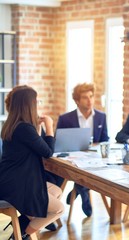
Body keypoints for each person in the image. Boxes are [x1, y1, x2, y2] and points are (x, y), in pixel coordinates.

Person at [0, 86, 64, 239]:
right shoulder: (24, 129)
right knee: (59, 209)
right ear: (28, 105)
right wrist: (49, 126)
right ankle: (21, 235)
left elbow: (36, 147)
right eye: (37, 102)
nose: (38, 105)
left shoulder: (13, 125)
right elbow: (47, 152)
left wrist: (38, 127)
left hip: (11, 180)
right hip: (18, 185)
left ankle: (21, 224)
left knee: (56, 191)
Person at [56, 82, 109, 217]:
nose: (89, 100)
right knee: (80, 170)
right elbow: (59, 143)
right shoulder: (65, 119)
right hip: (72, 159)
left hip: (93, 158)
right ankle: (83, 193)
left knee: (93, 170)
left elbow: (105, 140)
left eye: (91, 96)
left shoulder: (101, 117)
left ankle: (79, 189)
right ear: (77, 101)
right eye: (85, 97)